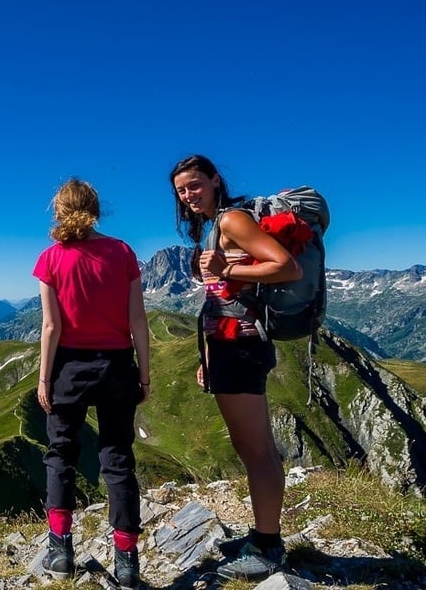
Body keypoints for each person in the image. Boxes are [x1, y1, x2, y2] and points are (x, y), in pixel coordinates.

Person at [169, 154, 301, 581]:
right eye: (181, 190)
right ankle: (261, 535)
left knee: (257, 451)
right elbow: (223, 295)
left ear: (213, 180)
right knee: (252, 450)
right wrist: (206, 357)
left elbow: (287, 266)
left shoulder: (230, 221)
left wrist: (229, 266)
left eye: (194, 185)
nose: (189, 195)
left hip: (241, 347)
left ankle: (268, 546)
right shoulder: (215, 225)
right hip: (227, 349)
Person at [33, 177, 150, 588]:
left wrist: (44, 378)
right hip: (117, 367)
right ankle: (127, 561)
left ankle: (61, 551)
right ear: (96, 209)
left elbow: (51, 326)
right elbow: (138, 321)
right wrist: (144, 372)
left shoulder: (50, 259)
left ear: (59, 210)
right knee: (117, 459)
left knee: (60, 455)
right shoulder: (122, 253)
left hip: (69, 369)